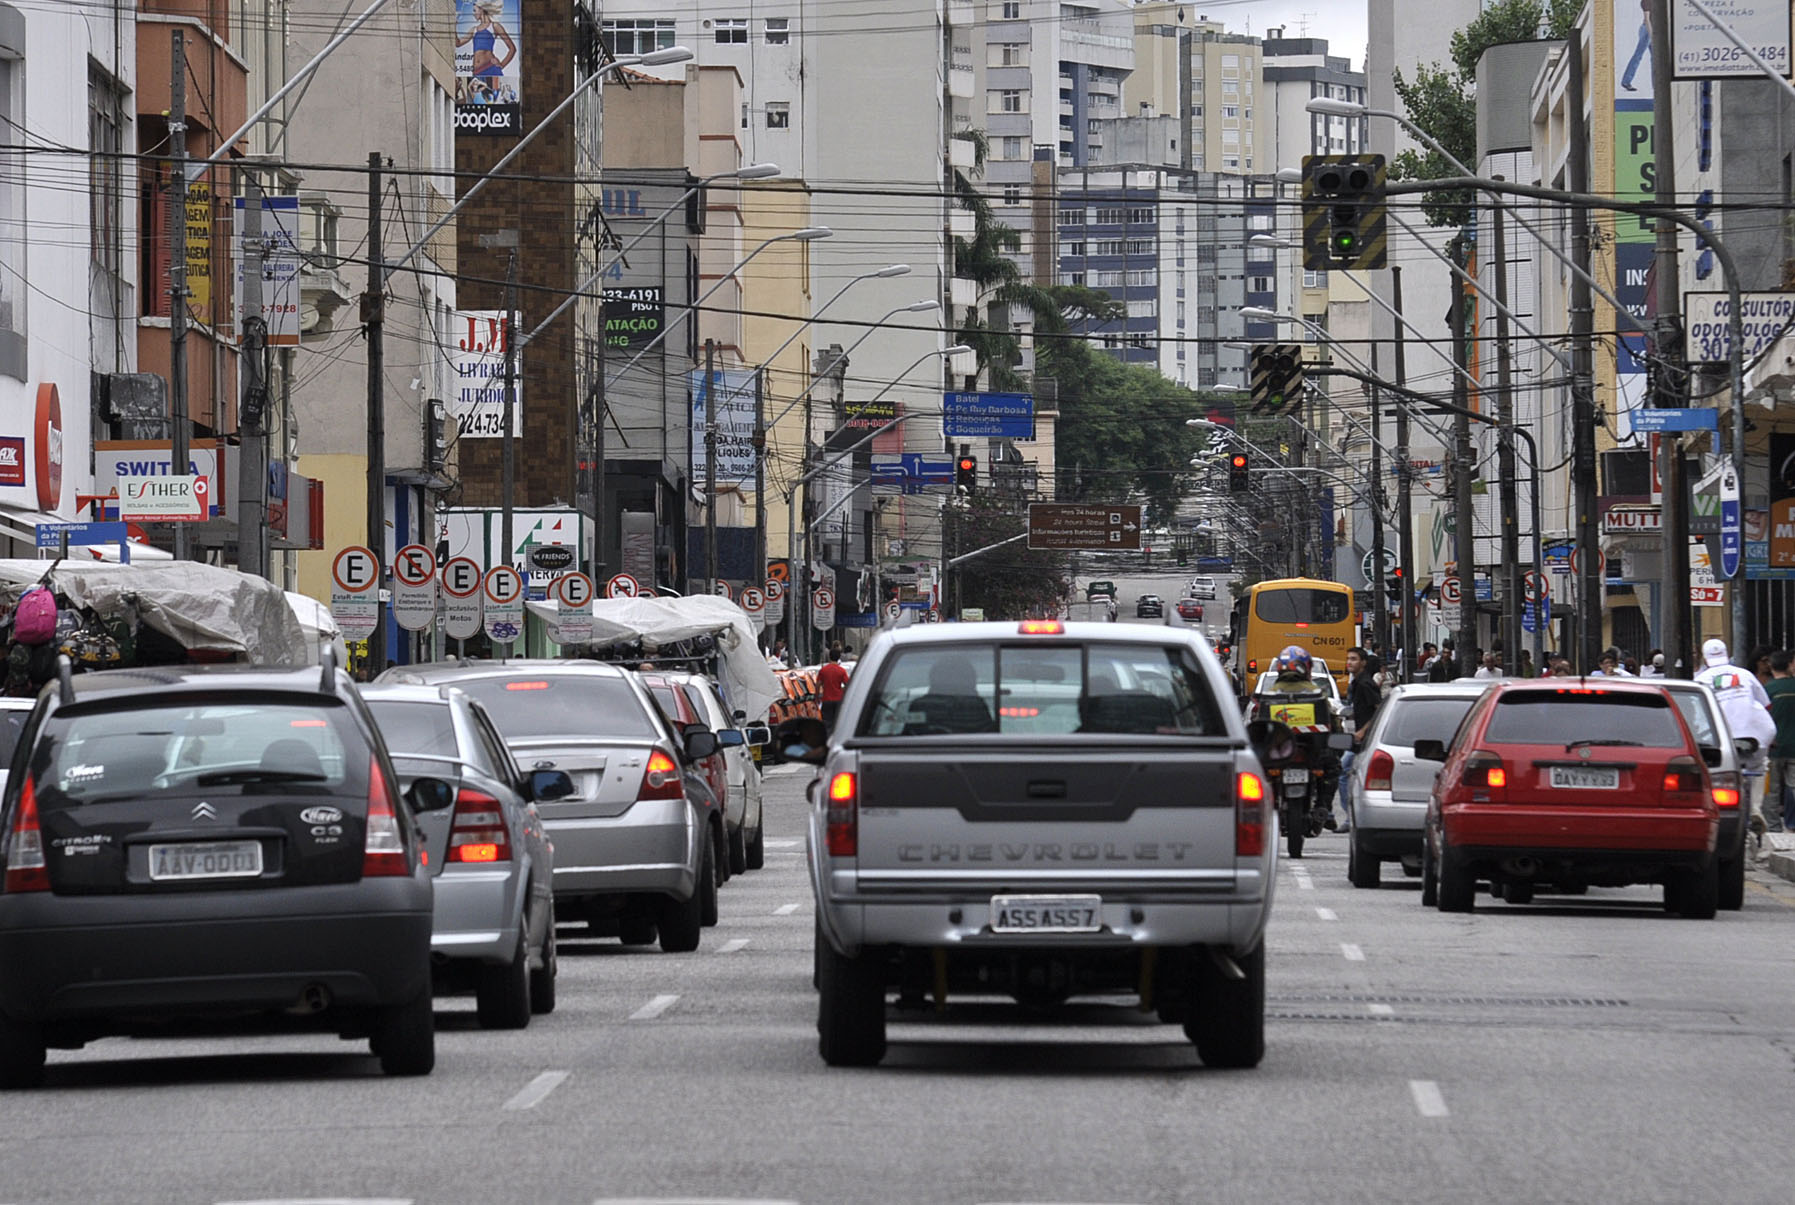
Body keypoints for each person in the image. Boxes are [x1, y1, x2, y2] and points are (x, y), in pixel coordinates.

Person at [1696, 638, 1778, 840]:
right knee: (1759, 768)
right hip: (1756, 733)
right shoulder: (1745, 675)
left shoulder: (1701, 679)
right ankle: (1756, 809)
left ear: (1705, 658)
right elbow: (1766, 704)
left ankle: (1720, 810)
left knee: (1718, 772)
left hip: (1721, 737)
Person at [1340, 647, 1383, 833]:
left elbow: (1378, 710)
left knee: (1343, 771)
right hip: (1362, 736)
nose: (1350, 662)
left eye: (1354, 659)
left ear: (1363, 662)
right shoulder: (1357, 682)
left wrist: (1363, 732)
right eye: (1348, 659)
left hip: (1366, 738)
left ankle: (1350, 818)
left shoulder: (1365, 684)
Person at [1764, 650, 1795, 834]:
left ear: (1771, 666)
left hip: (1772, 748)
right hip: (1794, 748)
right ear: (1789, 664)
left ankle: (1773, 829)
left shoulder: (1767, 689)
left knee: (1771, 792)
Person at [817, 645, 850, 733]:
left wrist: (816, 697)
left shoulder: (823, 670)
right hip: (838, 699)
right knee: (838, 722)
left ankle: (828, 739)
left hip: (827, 699)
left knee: (827, 722)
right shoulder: (842, 671)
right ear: (839, 657)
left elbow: (818, 685)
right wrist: (842, 691)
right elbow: (847, 684)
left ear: (829, 657)